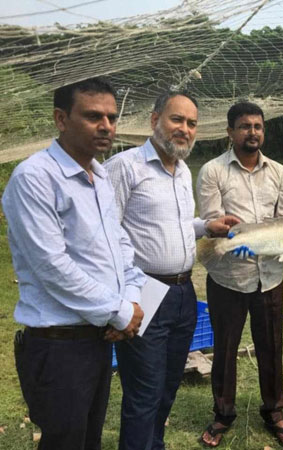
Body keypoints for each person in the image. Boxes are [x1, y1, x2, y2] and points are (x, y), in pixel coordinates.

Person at [2, 77, 146, 450]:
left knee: (88, 439)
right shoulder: (34, 178)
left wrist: (128, 302)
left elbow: (122, 248)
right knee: (65, 441)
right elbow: (52, 266)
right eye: (93, 116)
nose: (107, 126)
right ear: (61, 119)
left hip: (98, 338)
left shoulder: (100, 177)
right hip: (60, 346)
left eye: (112, 117)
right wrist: (118, 310)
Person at [104, 91, 239, 450]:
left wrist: (206, 227)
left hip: (182, 293)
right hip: (144, 291)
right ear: (154, 120)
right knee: (144, 391)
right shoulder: (125, 167)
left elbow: (172, 224)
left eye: (191, 123)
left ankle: (155, 444)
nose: (184, 129)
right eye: (176, 119)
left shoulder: (181, 170)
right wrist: (121, 299)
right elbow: (106, 233)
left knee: (166, 388)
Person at [196, 101, 283, 448]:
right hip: (227, 275)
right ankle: (223, 414)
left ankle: (274, 411)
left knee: (271, 346)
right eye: (244, 126)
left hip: (269, 275)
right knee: (225, 348)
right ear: (230, 132)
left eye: (257, 126)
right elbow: (212, 220)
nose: (252, 132)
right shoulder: (213, 171)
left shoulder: (280, 173)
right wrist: (230, 237)